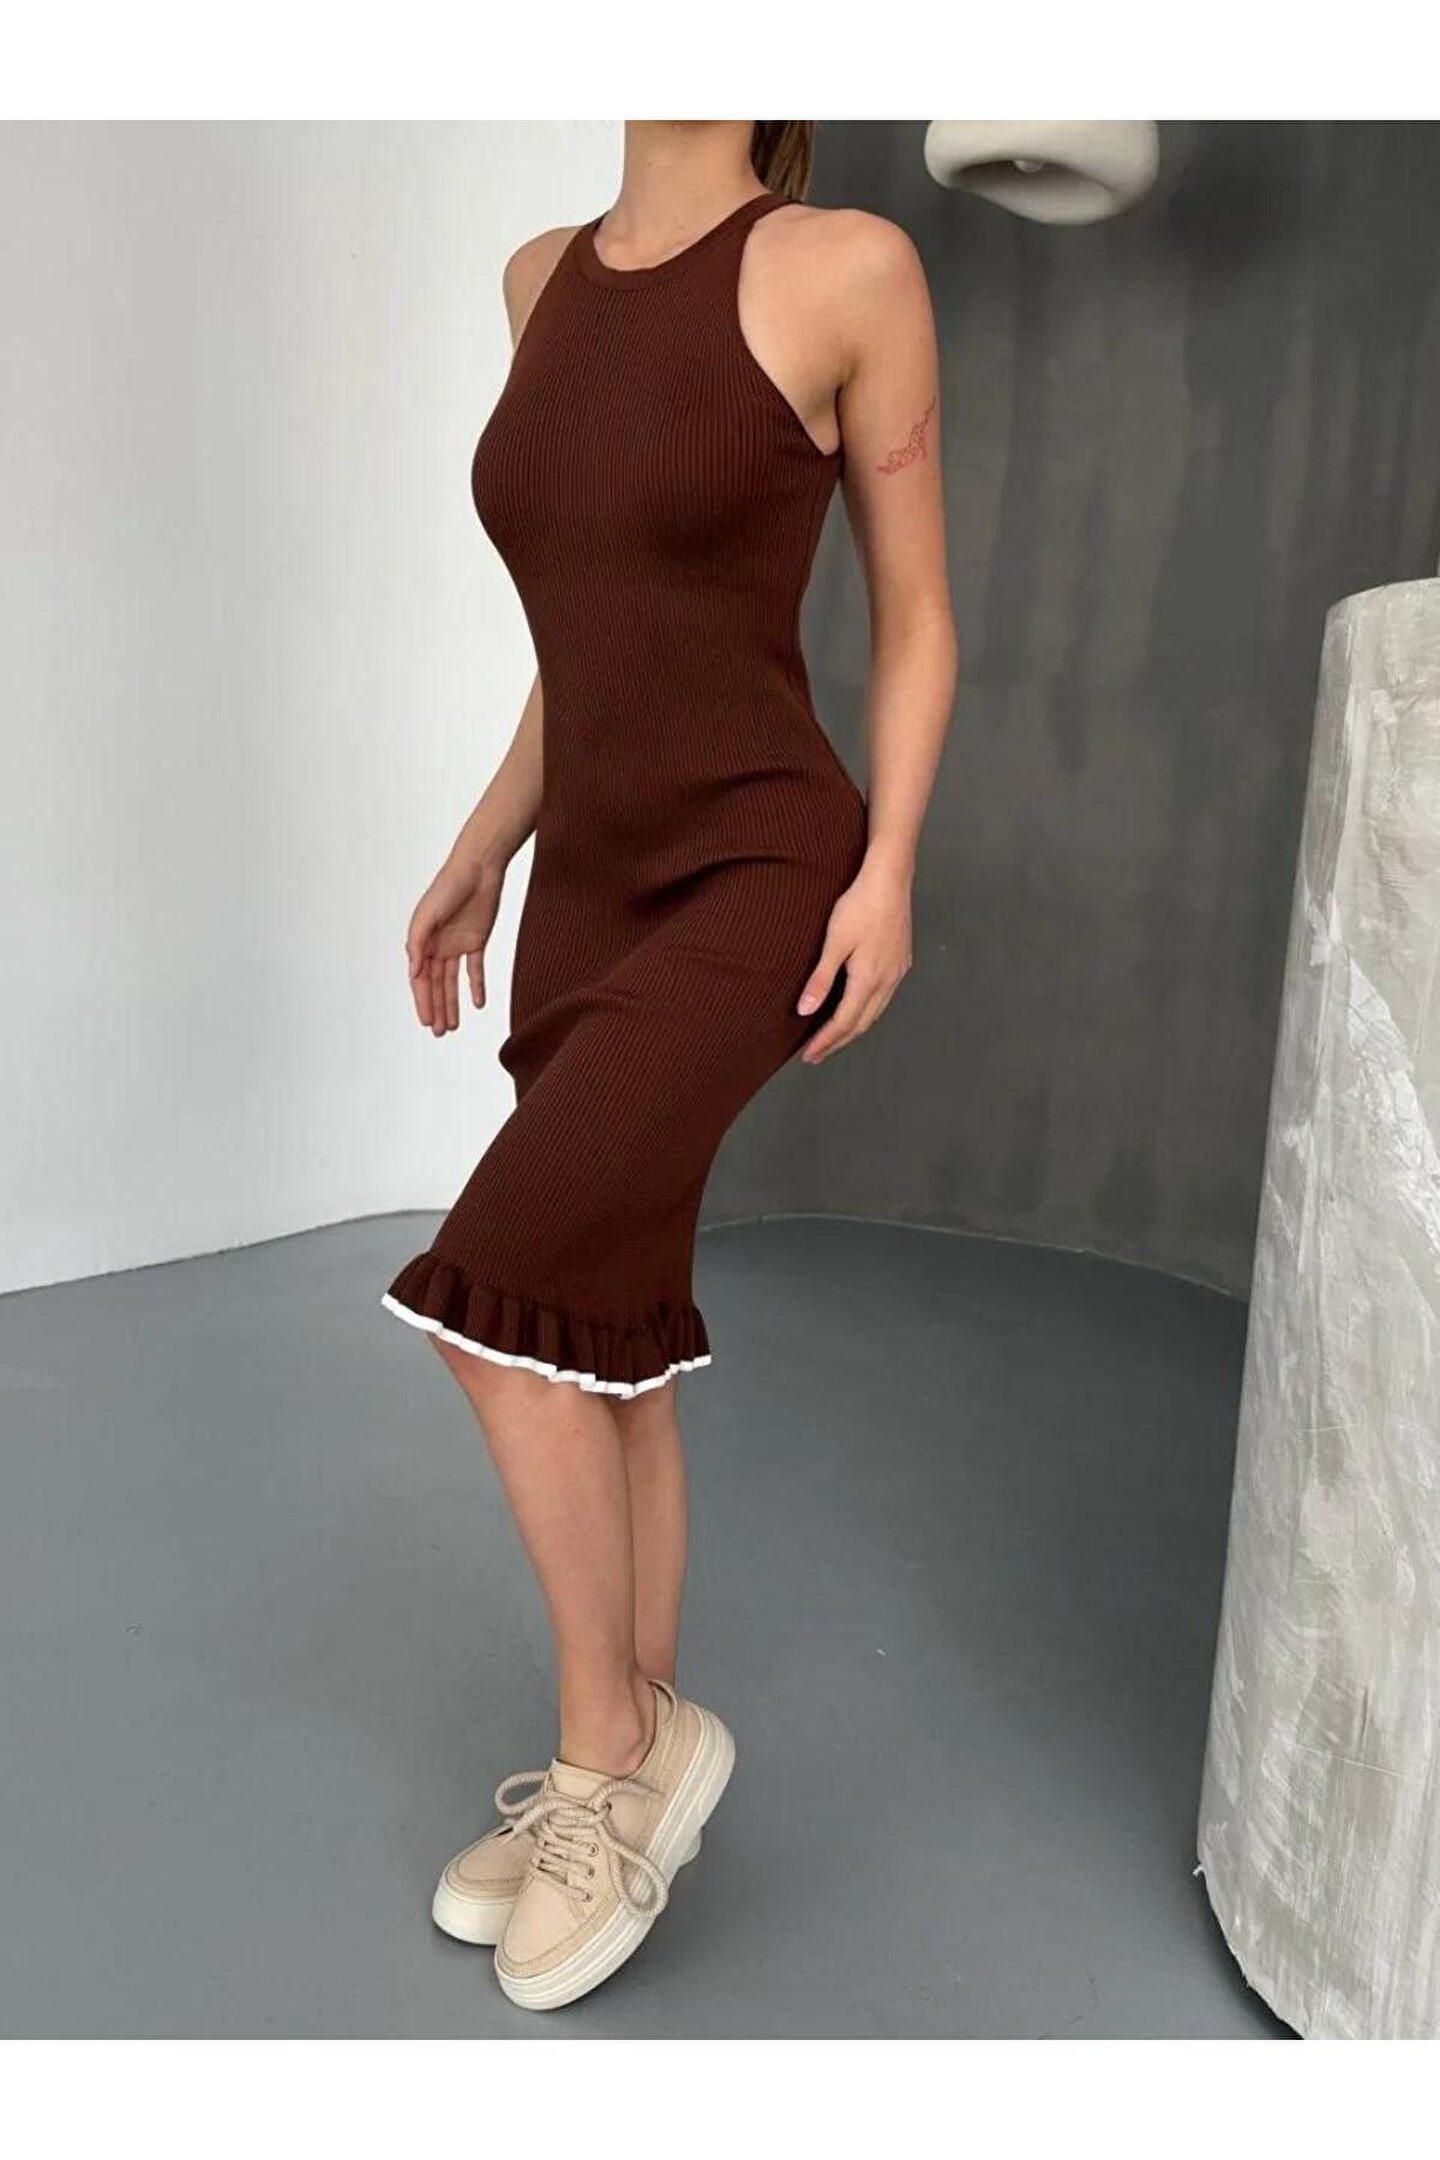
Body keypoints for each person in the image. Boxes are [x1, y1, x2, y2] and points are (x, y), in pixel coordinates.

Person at [384, 120, 957, 2011]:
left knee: (495, 1301)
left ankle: (612, 1749)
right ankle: (620, 1780)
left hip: (757, 866)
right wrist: (489, 840)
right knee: (596, 1333)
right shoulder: (539, 283)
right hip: (590, 884)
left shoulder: (847, 267)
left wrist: (889, 868)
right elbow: (593, 632)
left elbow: (918, 615)